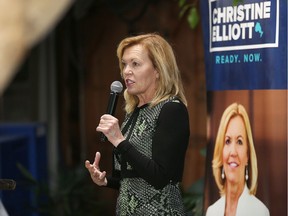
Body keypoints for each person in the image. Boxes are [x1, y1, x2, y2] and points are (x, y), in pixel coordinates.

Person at [85, 33, 190, 215]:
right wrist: (105, 181)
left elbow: (160, 177)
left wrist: (119, 141)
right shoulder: (132, 112)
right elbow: (131, 179)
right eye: (124, 64)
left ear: (158, 70)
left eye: (135, 64)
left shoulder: (172, 110)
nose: (126, 71)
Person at [206, 103, 270, 216]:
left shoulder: (260, 212)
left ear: (248, 156)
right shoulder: (211, 212)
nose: (233, 152)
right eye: (227, 141)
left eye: (239, 141)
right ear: (221, 152)